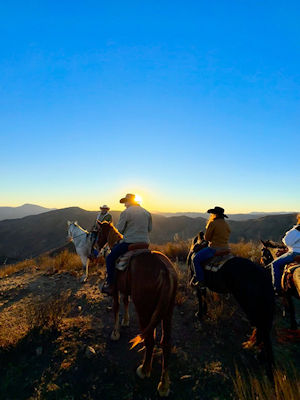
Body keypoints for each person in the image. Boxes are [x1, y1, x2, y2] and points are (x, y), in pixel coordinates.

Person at [101, 193, 152, 295]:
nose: (125, 205)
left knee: (110, 258)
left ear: (129, 201)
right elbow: (149, 229)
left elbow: (120, 230)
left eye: (126, 202)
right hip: (145, 244)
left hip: (129, 243)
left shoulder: (126, 213)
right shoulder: (147, 212)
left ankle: (111, 285)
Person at [193, 206, 231, 286]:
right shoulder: (226, 224)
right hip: (226, 249)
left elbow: (207, 238)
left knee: (195, 259)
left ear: (215, 214)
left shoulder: (212, 223)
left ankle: (201, 281)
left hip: (214, 249)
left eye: (212, 214)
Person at [272, 213, 300, 293]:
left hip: (295, 253)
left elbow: (286, 241)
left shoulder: (296, 230)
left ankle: (277, 289)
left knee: (275, 264)